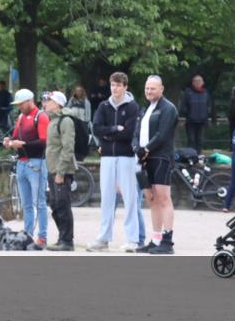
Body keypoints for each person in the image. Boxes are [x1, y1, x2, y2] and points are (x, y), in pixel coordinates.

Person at [88, 72, 142, 253]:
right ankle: (103, 238)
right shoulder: (103, 106)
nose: (115, 88)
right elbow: (96, 129)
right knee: (107, 199)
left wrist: (108, 134)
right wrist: (114, 129)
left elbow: (128, 133)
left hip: (126, 157)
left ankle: (133, 239)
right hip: (107, 158)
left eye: (118, 85)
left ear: (125, 87)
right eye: (113, 85)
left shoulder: (133, 106)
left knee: (130, 198)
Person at [132, 75, 179, 255]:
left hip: (160, 158)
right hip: (144, 159)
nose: (149, 91)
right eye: (147, 88)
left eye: (152, 88)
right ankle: (156, 239)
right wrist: (137, 147)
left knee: (163, 198)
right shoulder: (146, 109)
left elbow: (163, 134)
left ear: (161, 89)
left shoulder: (168, 108)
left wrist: (147, 149)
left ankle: (167, 241)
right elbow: (137, 132)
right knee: (151, 199)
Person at [3, 89, 50, 250]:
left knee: (40, 202)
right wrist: (9, 141)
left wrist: (23, 145)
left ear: (30, 101)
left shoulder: (41, 116)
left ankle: (42, 237)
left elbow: (44, 141)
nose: (19, 107)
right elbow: (16, 136)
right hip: (21, 163)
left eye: (21, 104)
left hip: (37, 163)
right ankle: (28, 235)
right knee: (26, 204)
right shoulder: (21, 117)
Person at [42, 91, 75, 251]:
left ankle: (67, 241)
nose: (45, 102)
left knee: (63, 204)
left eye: (49, 100)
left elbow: (68, 148)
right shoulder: (52, 121)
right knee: (55, 204)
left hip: (62, 170)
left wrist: (61, 172)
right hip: (52, 169)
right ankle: (62, 237)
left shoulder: (65, 120)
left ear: (58, 103)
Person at [180, 74, 212, 154]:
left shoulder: (206, 93)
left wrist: (206, 114)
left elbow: (209, 105)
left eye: (199, 81)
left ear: (203, 82)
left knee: (200, 140)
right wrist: (188, 115)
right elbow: (183, 106)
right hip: (191, 121)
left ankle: (199, 155)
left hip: (202, 121)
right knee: (191, 140)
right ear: (193, 83)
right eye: (196, 81)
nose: (198, 83)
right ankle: (191, 156)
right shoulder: (188, 93)